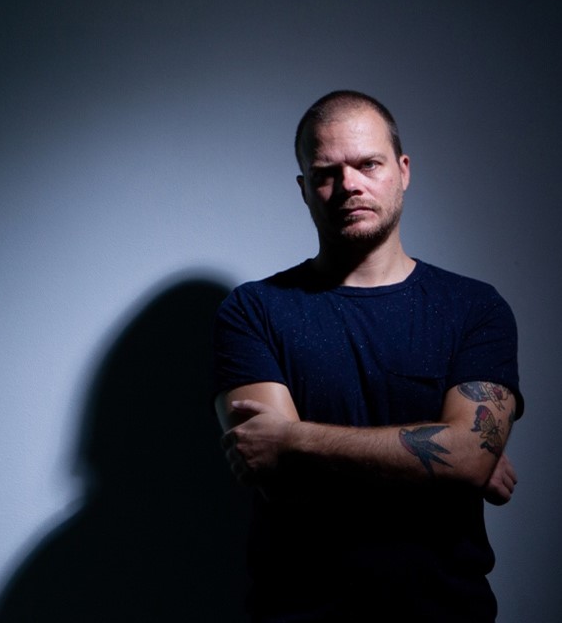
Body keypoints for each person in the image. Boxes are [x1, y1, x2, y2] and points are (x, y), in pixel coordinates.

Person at [212, 90, 523, 622]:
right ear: (304, 189)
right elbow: (276, 477)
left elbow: (469, 458)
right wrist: (442, 457)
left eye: (368, 164)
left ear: (403, 171)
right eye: (326, 173)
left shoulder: (474, 308)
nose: (349, 185)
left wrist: (295, 438)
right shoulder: (253, 310)